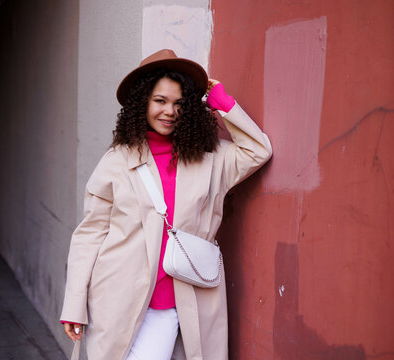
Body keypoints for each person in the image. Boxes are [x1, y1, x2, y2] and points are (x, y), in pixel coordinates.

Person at [60, 49, 272, 360]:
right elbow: (90, 233)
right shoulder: (117, 160)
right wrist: (74, 304)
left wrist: (223, 103)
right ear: (142, 102)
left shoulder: (212, 157)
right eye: (160, 101)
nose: (169, 111)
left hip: (175, 301)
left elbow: (258, 151)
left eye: (179, 103)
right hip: (115, 297)